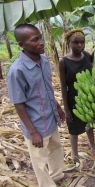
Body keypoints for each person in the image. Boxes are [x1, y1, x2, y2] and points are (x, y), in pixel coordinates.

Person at [7, 24, 67, 187]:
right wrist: (33, 132)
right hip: (36, 124)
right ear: (22, 45)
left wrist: (58, 107)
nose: (42, 42)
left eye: (41, 37)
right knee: (39, 161)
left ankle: (56, 175)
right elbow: (18, 104)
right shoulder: (17, 71)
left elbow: (47, 89)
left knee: (56, 147)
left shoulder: (44, 61)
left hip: (50, 117)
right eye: (35, 40)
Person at [59, 28, 95, 163]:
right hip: (73, 98)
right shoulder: (64, 61)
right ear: (69, 44)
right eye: (75, 43)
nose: (79, 45)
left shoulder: (87, 55)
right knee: (74, 130)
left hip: (89, 97)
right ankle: (75, 156)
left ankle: (93, 147)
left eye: (82, 42)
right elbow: (63, 86)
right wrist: (66, 109)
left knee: (89, 124)